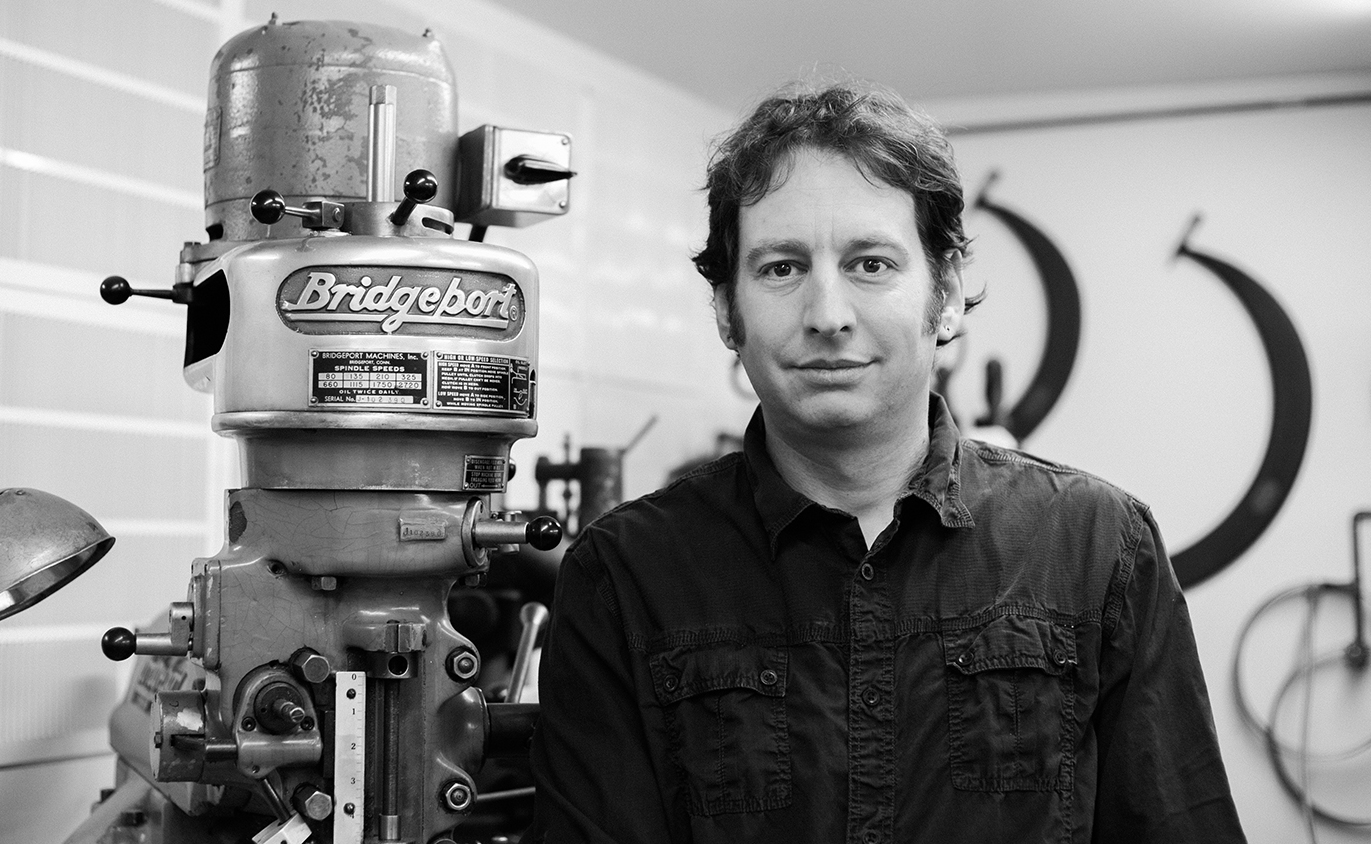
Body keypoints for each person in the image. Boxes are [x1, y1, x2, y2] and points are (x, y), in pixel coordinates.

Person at [524, 82, 1246, 844]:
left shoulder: (1101, 550)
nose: (828, 313)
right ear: (727, 311)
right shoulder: (626, 574)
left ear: (947, 295)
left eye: (871, 263)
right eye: (780, 268)